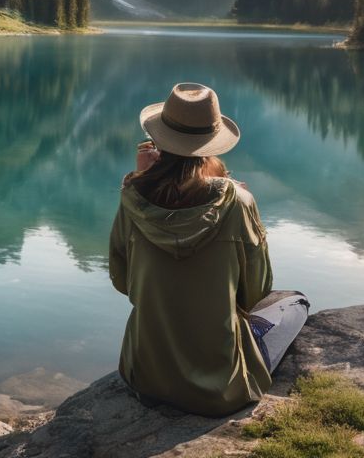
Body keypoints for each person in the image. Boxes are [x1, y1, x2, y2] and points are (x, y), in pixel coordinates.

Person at [108, 82, 309, 417]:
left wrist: (144, 178)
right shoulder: (239, 202)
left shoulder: (131, 197)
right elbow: (255, 293)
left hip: (145, 377)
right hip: (221, 390)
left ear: (159, 141)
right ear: (211, 144)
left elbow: (124, 282)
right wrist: (239, 202)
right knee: (295, 303)